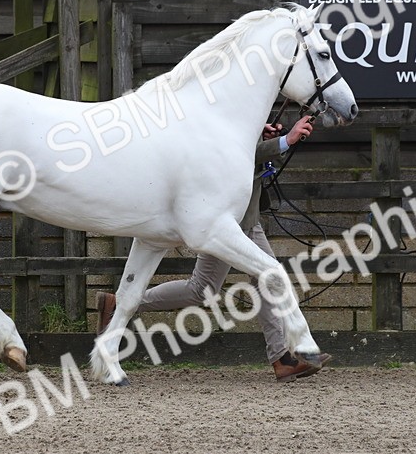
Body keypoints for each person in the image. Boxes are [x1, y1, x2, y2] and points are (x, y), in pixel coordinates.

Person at [97, 116, 333, 382]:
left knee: (250, 282)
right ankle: (120, 304)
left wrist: (268, 140)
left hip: (245, 218)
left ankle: (282, 359)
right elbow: (235, 155)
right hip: (226, 221)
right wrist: (283, 141)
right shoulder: (220, 115)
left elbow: (253, 158)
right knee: (209, 288)